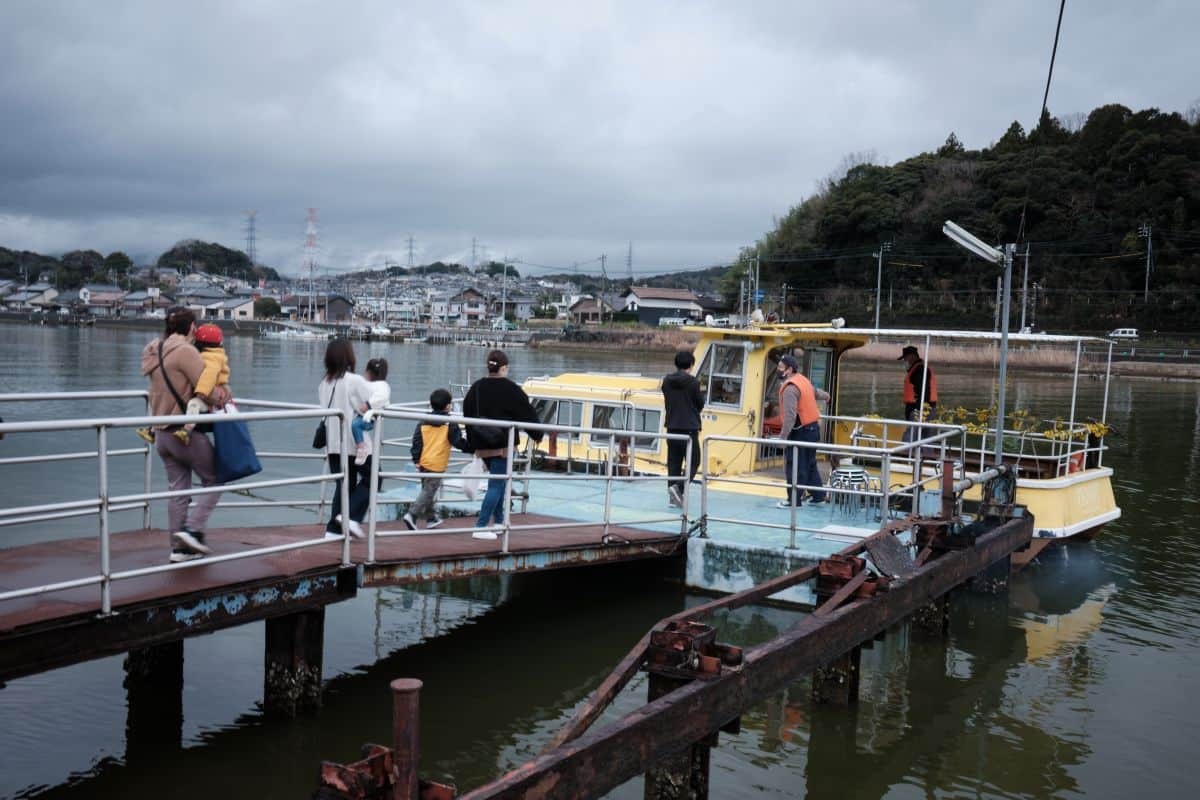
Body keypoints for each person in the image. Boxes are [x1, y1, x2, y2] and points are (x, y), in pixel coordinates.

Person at [140, 307, 231, 562]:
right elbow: (207, 389)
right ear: (190, 327)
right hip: (184, 432)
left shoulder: (155, 350)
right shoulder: (186, 352)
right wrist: (223, 394)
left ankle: (178, 548)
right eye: (194, 325)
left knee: (178, 491)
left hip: (161, 432)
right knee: (215, 479)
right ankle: (192, 531)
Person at [461, 349, 543, 539]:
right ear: (504, 368)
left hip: (482, 445)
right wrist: (537, 434)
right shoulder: (511, 389)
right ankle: (480, 526)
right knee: (497, 485)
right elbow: (527, 414)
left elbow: (468, 413)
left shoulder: (477, 387)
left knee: (498, 483)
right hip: (503, 446)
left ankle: (499, 521)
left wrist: (474, 441)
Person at [318, 338, 372, 538]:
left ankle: (334, 529)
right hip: (354, 442)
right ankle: (351, 517)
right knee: (374, 477)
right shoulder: (354, 380)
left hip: (333, 442)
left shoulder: (325, 382)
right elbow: (366, 406)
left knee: (343, 484)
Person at [403, 388, 469, 530]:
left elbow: (416, 441)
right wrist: (471, 448)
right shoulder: (449, 423)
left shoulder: (424, 421)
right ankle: (412, 514)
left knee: (427, 490)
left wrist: (416, 459)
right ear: (447, 406)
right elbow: (457, 441)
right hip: (437, 463)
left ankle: (431, 518)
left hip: (423, 461)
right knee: (429, 491)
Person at [775, 353, 830, 508]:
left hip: (801, 432)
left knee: (795, 465)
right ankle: (818, 495)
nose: (778, 370)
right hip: (813, 429)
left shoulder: (790, 389)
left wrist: (783, 438)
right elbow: (816, 392)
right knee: (810, 463)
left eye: (780, 367)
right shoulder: (803, 380)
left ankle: (793, 500)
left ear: (789, 369)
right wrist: (827, 396)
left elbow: (790, 417)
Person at [661, 350, 704, 507]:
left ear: (676, 364)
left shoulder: (666, 381)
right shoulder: (693, 382)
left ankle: (673, 499)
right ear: (691, 365)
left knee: (673, 463)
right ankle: (678, 489)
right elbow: (699, 403)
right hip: (689, 428)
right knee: (693, 461)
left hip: (672, 426)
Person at [175, 323, 231, 444]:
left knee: (194, 404)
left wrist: (202, 391)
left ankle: (187, 430)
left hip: (212, 391)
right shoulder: (215, 354)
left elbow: (209, 374)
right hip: (215, 389)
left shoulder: (211, 357)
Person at [352, 357, 391, 466]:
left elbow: (380, 398)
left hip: (370, 418)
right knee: (355, 424)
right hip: (365, 415)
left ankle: (361, 447)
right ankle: (361, 447)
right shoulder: (373, 385)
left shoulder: (381, 386)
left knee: (355, 425)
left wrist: (368, 405)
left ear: (369, 372)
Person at [898, 345, 937, 441]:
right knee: (927, 438)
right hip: (927, 408)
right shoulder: (920, 369)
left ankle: (905, 454)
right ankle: (927, 454)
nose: (905, 361)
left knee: (911, 436)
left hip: (919, 410)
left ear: (912, 356)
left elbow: (924, 390)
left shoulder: (919, 370)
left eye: (905, 358)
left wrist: (920, 410)